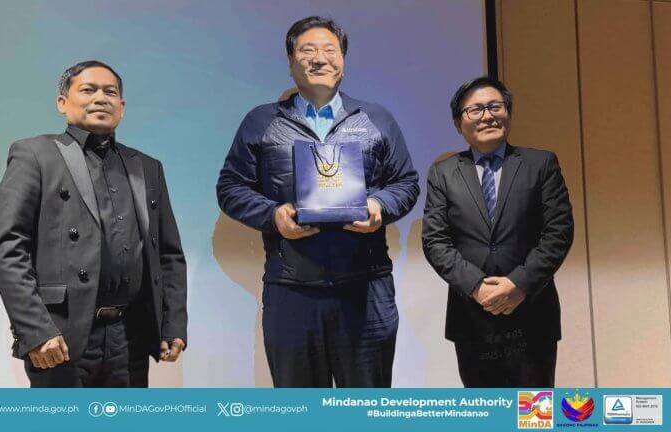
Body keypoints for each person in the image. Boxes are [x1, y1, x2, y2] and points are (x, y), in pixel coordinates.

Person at [216, 16, 419, 387]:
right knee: (300, 412)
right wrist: (273, 215)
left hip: (366, 288)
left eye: (330, 50)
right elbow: (231, 187)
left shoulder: (376, 118)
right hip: (291, 289)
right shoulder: (262, 120)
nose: (319, 59)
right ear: (291, 62)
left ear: (343, 59)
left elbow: (405, 182)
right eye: (306, 50)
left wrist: (380, 206)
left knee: (366, 410)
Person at [0, 60, 187, 387]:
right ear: (62, 102)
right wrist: (36, 331)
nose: (101, 98)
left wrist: (173, 323)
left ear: (122, 107)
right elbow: (9, 249)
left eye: (110, 92)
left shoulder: (148, 167)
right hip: (60, 336)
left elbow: (169, 255)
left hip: (131, 335)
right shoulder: (35, 154)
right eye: (88, 90)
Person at [421, 76, 574, 387]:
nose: (487, 115)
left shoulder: (541, 164)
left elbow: (558, 232)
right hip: (472, 316)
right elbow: (435, 241)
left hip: (532, 312)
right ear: (457, 122)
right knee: (485, 415)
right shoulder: (444, 173)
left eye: (495, 106)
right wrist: (477, 287)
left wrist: (519, 284)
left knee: (533, 417)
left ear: (508, 113)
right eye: (475, 110)